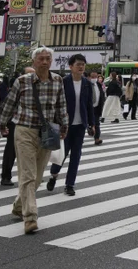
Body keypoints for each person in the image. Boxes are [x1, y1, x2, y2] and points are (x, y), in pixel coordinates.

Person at [0, 47, 68, 235]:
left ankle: (19, 205)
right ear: (33, 61)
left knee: (36, 176)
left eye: (47, 59)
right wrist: (2, 124)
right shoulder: (22, 81)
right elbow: (9, 103)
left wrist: (64, 125)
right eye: (41, 59)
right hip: (24, 130)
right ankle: (30, 217)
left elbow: (61, 105)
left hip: (47, 133)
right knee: (27, 174)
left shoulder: (58, 80)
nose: (44, 62)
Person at [45, 54, 96, 197]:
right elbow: (56, 104)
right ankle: (54, 175)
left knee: (76, 155)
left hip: (80, 125)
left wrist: (92, 123)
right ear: (71, 66)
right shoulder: (63, 82)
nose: (81, 67)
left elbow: (89, 105)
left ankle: (69, 184)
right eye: (78, 64)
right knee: (62, 154)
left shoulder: (87, 83)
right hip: (65, 125)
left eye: (83, 64)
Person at [0, 67, 35, 186]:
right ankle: (6, 176)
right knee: (11, 150)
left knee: (32, 151)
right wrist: (2, 123)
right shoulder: (19, 86)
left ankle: (32, 176)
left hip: (33, 124)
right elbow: (7, 104)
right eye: (29, 74)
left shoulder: (41, 87)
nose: (32, 76)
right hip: (16, 122)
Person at [88, 71, 105, 145]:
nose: (94, 78)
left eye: (96, 77)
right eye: (92, 77)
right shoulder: (86, 85)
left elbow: (101, 95)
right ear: (89, 77)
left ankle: (97, 138)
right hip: (87, 108)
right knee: (84, 124)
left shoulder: (98, 85)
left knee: (97, 124)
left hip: (96, 107)